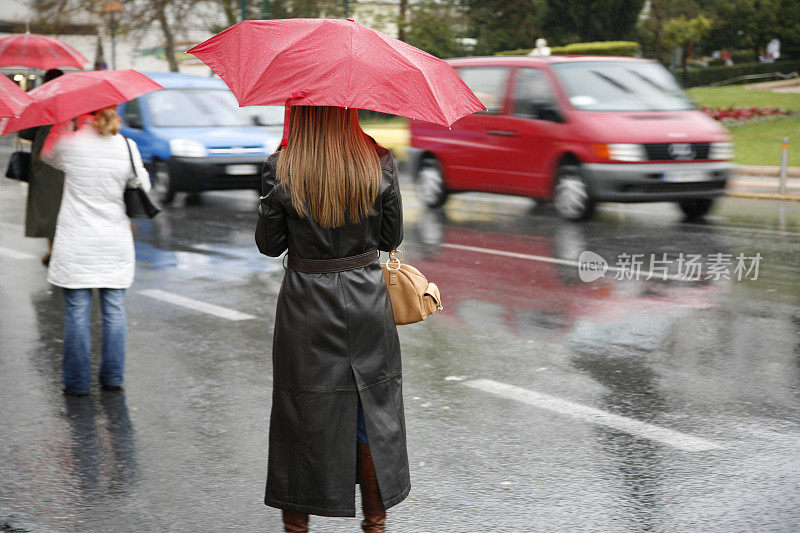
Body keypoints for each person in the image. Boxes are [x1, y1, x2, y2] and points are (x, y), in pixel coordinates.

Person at [256, 106, 407, 533]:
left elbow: (270, 244)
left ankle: (297, 526)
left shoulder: (280, 167)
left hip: (306, 303)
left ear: (299, 114)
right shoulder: (378, 161)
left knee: (300, 410)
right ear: (349, 112)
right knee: (371, 409)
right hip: (366, 301)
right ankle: (375, 523)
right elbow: (391, 237)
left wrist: (274, 188)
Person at [42, 106, 150, 396]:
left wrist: (60, 125)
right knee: (114, 311)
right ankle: (113, 378)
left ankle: (77, 384)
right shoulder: (127, 145)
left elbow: (47, 156)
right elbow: (144, 186)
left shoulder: (71, 143)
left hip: (77, 240)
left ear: (82, 113)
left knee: (77, 312)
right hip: (113, 239)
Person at [18, 68, 65, 266]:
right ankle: (64, 248)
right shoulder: (73, 101)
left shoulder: (39, 101)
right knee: (66, 206)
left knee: (48, 208)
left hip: (45, 163)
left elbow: (27, 134)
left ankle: (52, 249)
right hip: (70, 160)